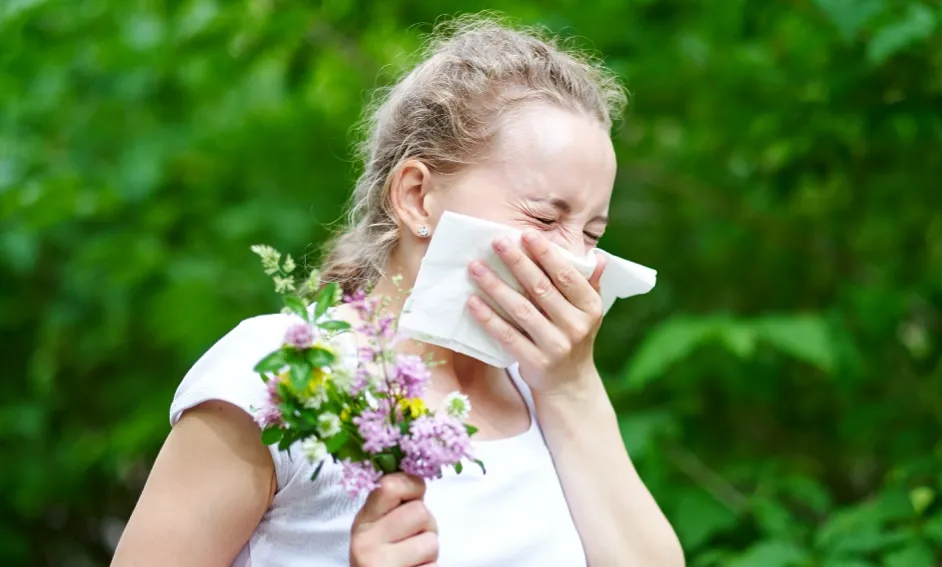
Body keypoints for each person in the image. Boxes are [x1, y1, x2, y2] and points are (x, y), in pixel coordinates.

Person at [112, 16, 685, 567]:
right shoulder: (281, 373)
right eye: (543, 218)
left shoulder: (544, 389)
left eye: (592, 234)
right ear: (416, 197)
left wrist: (571, 385)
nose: (576, 261)